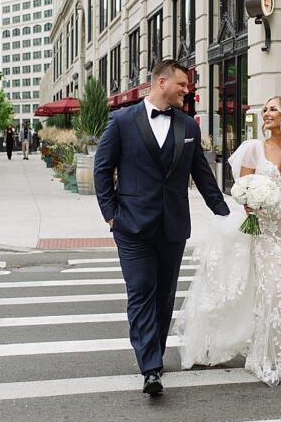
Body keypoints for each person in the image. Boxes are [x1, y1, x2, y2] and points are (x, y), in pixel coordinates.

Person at [176, 94, 281, 387]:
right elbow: (243, 188)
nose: (266, 114)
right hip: (264, 231)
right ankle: (265, 354)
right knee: (269, 290)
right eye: (264, 110)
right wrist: (249, 203)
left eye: (272, 109)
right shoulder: (253, 149)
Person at [93, 59, 229, 396]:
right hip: (132, 226)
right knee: (141, 292)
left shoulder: (189, 127)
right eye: (182, 84)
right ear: (162, 82)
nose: (187, 90)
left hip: (173, 226)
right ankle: (151, 367)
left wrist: (226, 212)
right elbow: (101, 169)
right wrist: (111, 214)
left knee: (164, 297)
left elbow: (202, 174)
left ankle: (154, 352)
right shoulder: (122, 121)